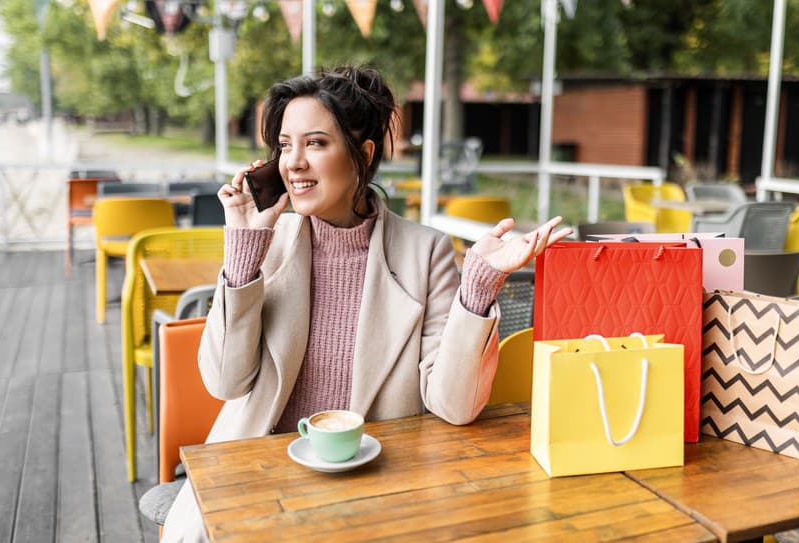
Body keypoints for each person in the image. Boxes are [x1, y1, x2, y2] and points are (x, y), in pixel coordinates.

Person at [161, 65, 572, 541]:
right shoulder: (264, 243)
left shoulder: (426, 252)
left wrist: (478, 287)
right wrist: (243, 251)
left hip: (373, 487)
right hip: (258, 470)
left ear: (363, 153)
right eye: (285, 145)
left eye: (315, 143)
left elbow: (454, 407)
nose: (293, 163)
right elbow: (225, 380)